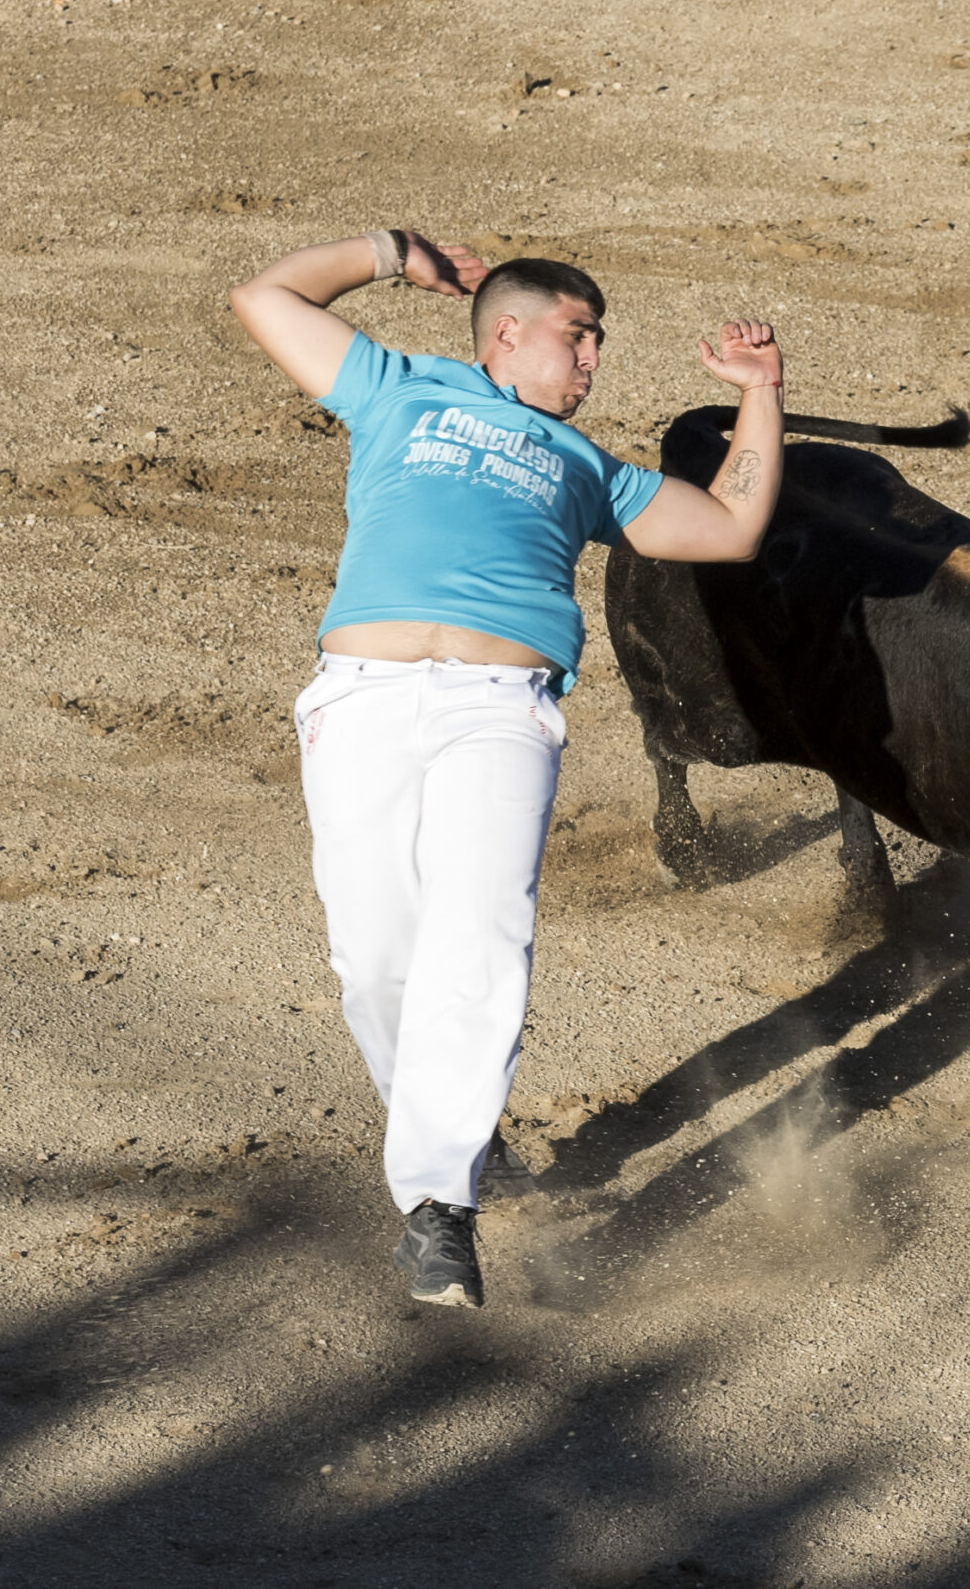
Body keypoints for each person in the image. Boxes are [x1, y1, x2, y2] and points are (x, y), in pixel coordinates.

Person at [227, 228, 785, 1307]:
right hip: (365, 697)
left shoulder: (593, 472)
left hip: (499, 711)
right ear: (510, 333)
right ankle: (448, 1140)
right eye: (579, 337)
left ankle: (439, 1206)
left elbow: (727, 527)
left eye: (598, 345)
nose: (592, 362)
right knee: (374, 956)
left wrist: (760, 392)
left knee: (481, 936)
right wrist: (392, 254)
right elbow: (265, 296)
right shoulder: (396, 387)